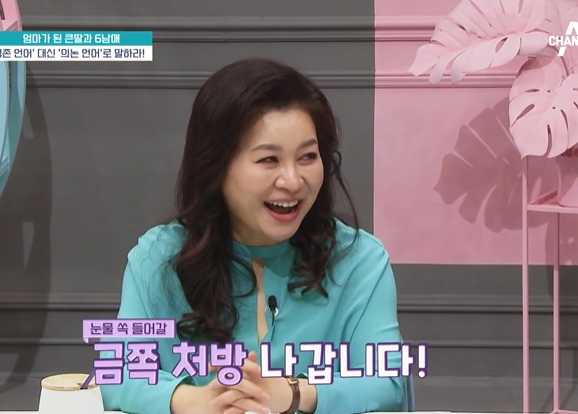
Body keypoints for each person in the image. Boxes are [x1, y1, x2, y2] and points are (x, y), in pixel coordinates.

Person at [100, 58, 412, 414]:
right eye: (269, 160)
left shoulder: (359, 260)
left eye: (308, 157)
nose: (292, 181)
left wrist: (294, 393)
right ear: (216, 167)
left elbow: (389, 379)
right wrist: (197, 401)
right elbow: (116, 373)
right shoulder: (159, 258)